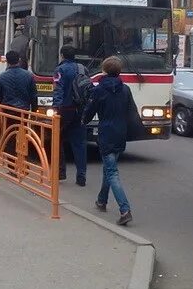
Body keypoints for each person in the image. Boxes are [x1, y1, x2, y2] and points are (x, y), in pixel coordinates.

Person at [83, 56, 133, 226]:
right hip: (120, 133)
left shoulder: (99, 90)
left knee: (112, 172)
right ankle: (101, 201)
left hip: (106, 133)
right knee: (109, 168)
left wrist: (83, 120)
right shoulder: (125, 89)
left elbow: (90, 110)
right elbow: (129, 110)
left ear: (104, 70)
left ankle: (125, 209)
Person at [52, 45, 87, 187]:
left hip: (65, 109)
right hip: (80, 109)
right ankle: (81, 176)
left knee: (57, 140)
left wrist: (56, 108)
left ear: (62, 56)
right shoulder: (82, 69)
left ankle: (60, 173)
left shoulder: (60, 70)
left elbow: (58, 89)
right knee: (79, 143)